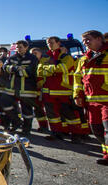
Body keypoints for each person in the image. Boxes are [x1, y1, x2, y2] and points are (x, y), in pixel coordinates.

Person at [37, 37, 83, 142]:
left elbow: (63, 68)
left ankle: (76, 135)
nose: (50, 45)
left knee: (70, 114)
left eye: (52, 43)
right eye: (48, 43)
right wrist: (53, 69)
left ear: (58, 43)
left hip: (64, 91)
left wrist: (48, 69)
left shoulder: (66, 56)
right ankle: (56, 133)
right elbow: (39, 71)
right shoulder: (46, 57)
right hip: (48, 91)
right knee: (52, 115)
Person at [73, 30, 108, 165]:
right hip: (91, 101)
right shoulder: (84, 59)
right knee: (96, 129)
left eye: (88, 39)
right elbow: (78, 78)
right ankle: (106, 152)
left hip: (106, 100)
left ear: (99, 39)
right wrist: (77, 95)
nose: (85, 43)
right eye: (84, 40)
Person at [0, 40, 39, 135]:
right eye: (17, 47)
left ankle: (26, 130)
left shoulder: (33, 58)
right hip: (12, 88)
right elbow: (5, 68)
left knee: (27, 111)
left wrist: (14, 69)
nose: (18, 49)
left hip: (27, 89)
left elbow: (29, 72)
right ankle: (17, 121)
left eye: (20, 47)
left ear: (26, 47)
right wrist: (17, 69)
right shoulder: (12, 57)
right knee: (4, 102)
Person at [29, 47, 50, 134]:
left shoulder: (47, 61)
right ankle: (43, 126)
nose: (34, 55)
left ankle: (59, 130)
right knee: (38, 109)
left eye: (35, 53)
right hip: (35, 89)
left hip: (47, 89)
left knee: (50, 109)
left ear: (40, 53)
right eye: (32, 53)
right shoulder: (30, 62)